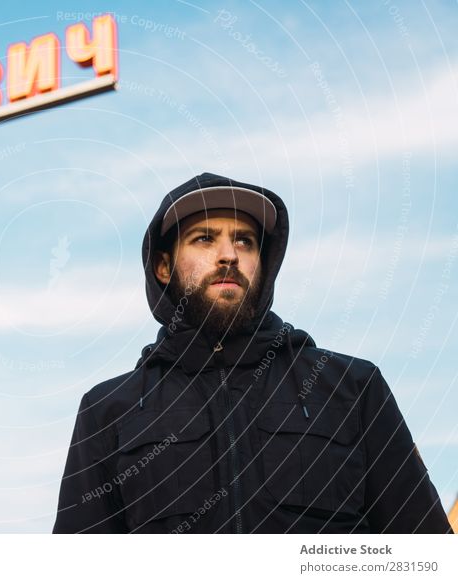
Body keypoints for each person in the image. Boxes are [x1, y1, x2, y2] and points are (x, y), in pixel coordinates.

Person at [52, 172, 453, 534]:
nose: (229, 255)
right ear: (162, 266)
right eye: (204, 238)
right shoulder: (108, 411)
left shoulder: (352, 387)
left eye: (243, 240)